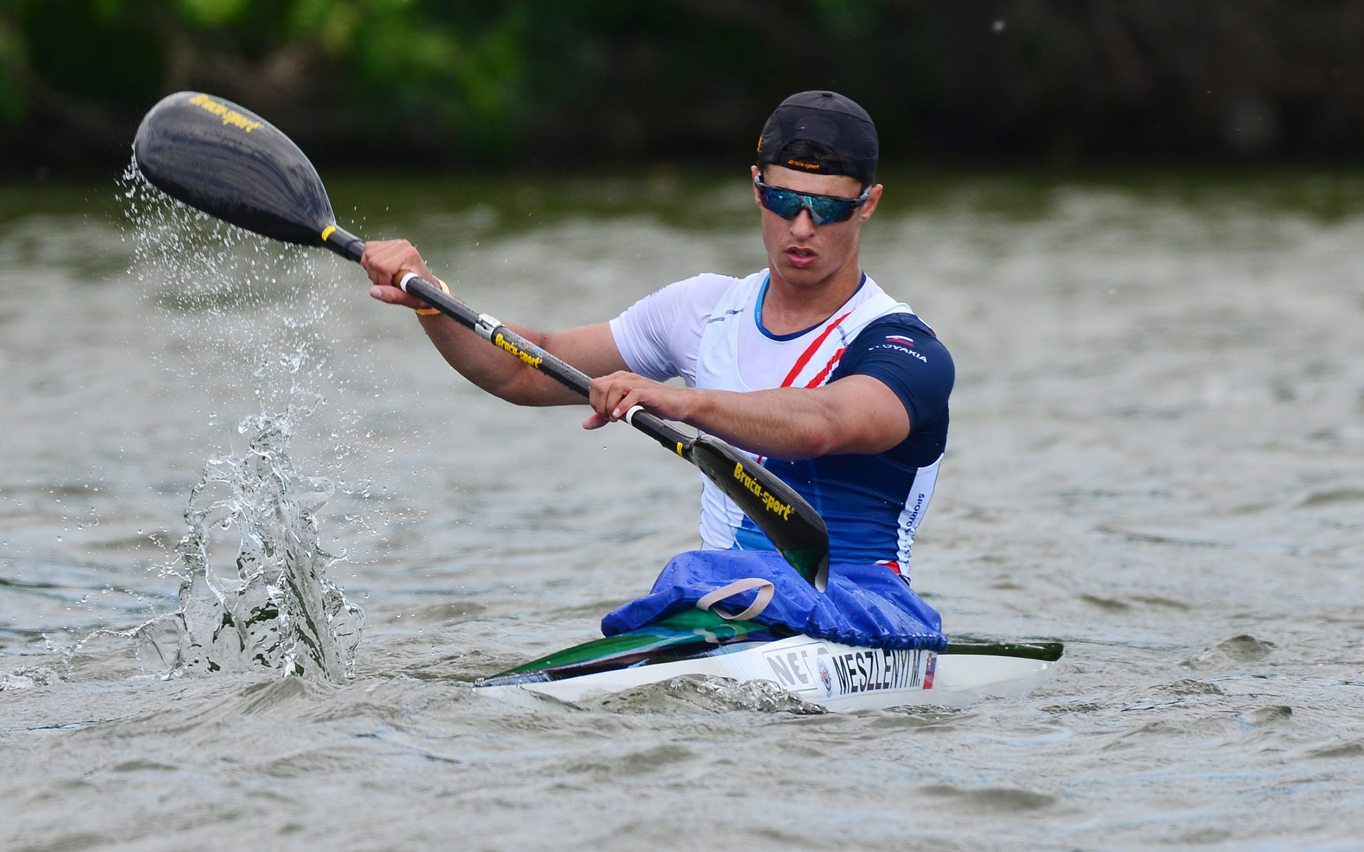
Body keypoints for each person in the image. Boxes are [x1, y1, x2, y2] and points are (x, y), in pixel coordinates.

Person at [360, 90, 954, 583]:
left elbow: (825, 424)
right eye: (783, 200)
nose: (801, 227)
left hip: (864, 609)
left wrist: (683, 400)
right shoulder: (700, 310)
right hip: (727, 604)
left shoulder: (901, 346)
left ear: (868, 204)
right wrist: (432, 300)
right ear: (756, 188)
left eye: (826, 209)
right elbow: (523, 368)